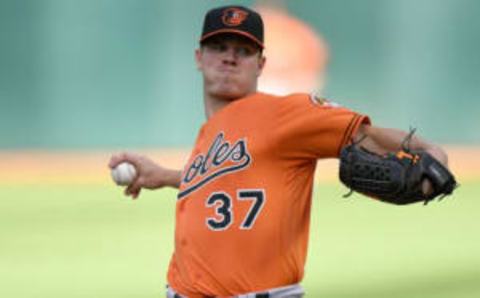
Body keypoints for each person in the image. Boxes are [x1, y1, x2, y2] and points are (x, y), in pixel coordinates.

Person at [109, 5, 450, 298]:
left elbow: (367, 136)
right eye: (219, 46)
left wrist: (430, 150)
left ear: (261, 64)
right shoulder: (210, 133)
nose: (229, 57)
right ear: (199, 58)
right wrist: (166, 176)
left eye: (243, 50)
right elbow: (233, 182)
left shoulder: (284, 114)